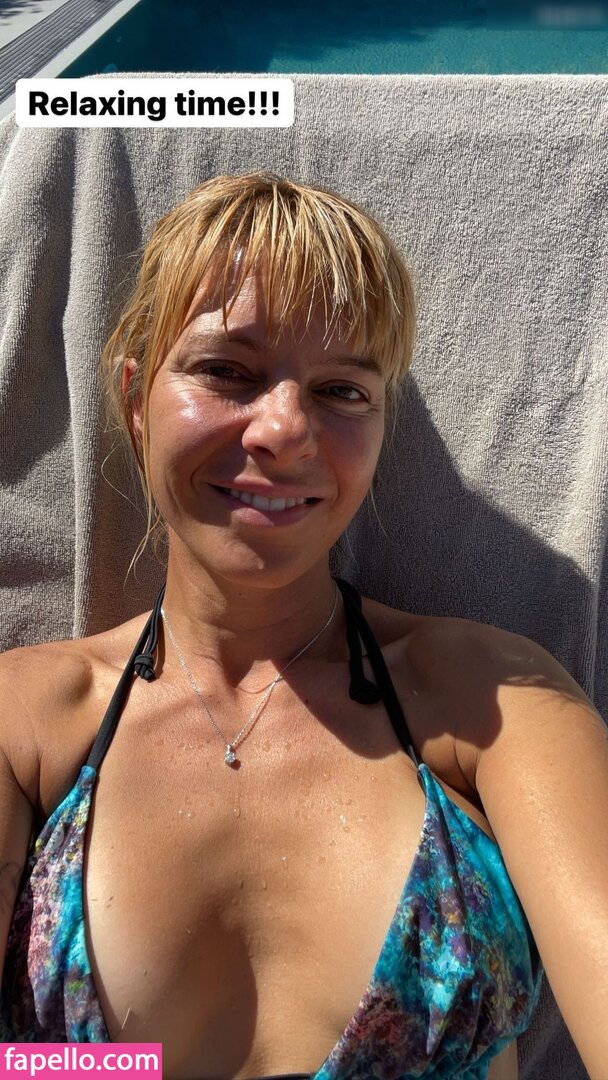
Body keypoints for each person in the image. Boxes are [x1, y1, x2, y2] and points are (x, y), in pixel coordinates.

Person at [0, 171, 606, 1080]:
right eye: (226, 371)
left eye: (342, 390)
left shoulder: (490, 705)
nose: (284, 429)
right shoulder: (27, 724)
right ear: (134, 398)